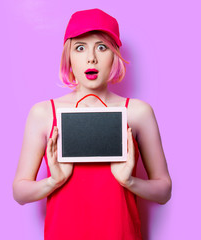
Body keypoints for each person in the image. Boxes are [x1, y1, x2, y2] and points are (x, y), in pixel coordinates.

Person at [13, 8, 172, 240]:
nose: (91, 58)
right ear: (68, 56)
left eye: (102, 47)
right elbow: (20, 191)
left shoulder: (138, 112)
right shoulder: (43, 113)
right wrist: (53, 181)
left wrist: (129, 181)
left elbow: (164, 191)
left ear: (114, 54)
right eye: (80, 48)